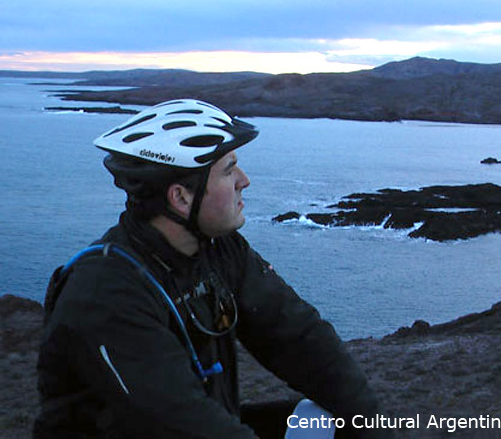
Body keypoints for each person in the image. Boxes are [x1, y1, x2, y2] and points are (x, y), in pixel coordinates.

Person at [35, 99, 388, 438]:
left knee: (340, 423)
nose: (244, 180)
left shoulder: (219, 250)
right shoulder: (105, 293)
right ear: (181, 197)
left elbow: (299, 337)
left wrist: (371, 423)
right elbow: (181, 421)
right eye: (229, 169)